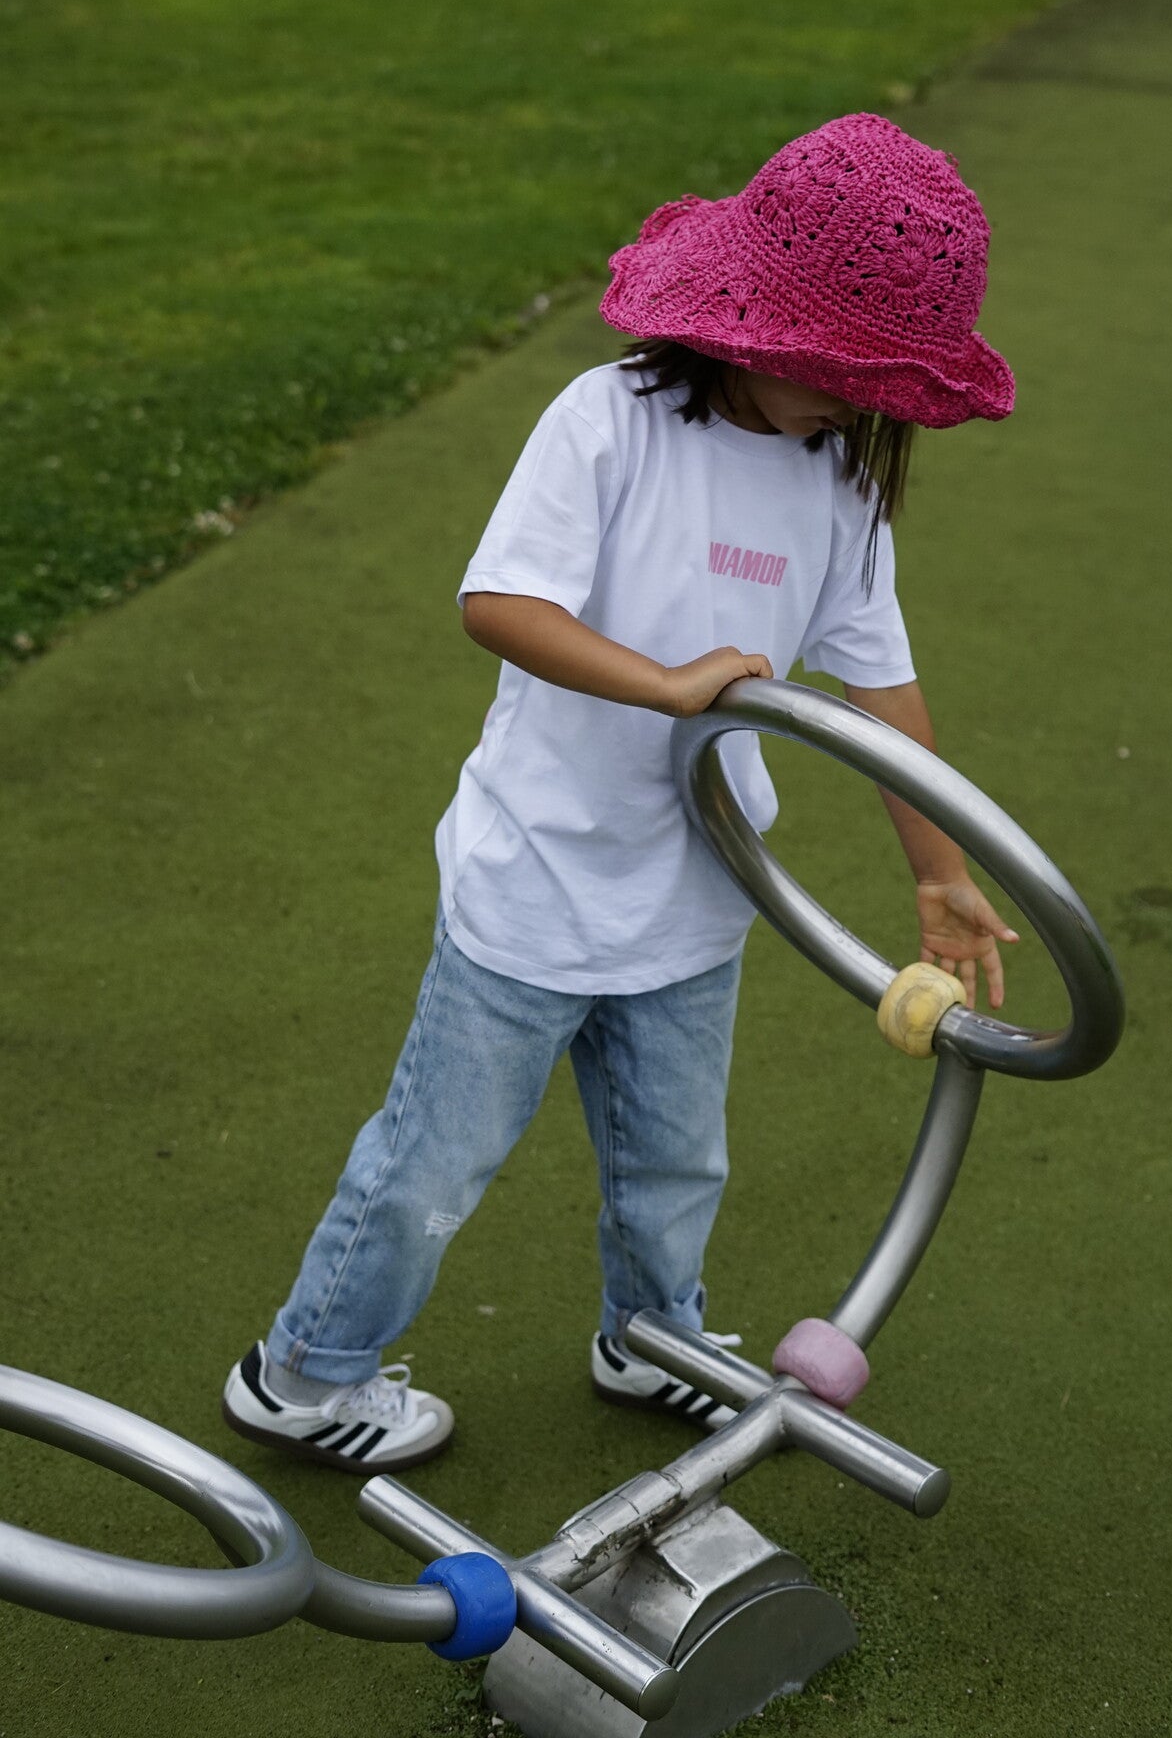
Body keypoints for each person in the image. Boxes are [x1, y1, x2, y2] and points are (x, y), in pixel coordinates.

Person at [221, 112, 1020, 1474]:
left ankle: (651, 1338)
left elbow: (880, 688)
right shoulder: (610, 424)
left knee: (674, 1163)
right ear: (758, 329)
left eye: (887, 383)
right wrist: (662, 685)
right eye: (849, 372)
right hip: (537, 879)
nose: (868, 404)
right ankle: (303, 1374)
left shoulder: (837, 484)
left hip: (695, 892)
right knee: (432, 1163)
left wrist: (938, 870)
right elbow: (499, 603)